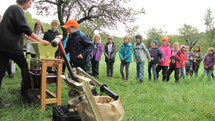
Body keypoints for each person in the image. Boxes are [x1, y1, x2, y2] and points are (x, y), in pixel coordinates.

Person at [0, 0, 50, 108]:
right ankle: (28, 91)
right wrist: (41, 41)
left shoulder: (11, 9)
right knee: (24, 67)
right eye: (30, 3)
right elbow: (26, 29)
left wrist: (35, 41)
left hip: (2, 46)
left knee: (0, 72)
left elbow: (24, 33)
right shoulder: (17, 9)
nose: (30, 6)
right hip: (12, 46)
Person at [62, 19, 97, 95]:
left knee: (88, 80)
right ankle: (81, 95)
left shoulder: (82, 36)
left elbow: (91, 45)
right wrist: (62, 55)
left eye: (69, 28)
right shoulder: (70, 37)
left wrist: (83, 54)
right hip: (75, 62)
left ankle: (94, 96)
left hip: (84, 63)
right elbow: (67, 49)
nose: (67, 30)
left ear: (74, 28)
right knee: (77, 80)